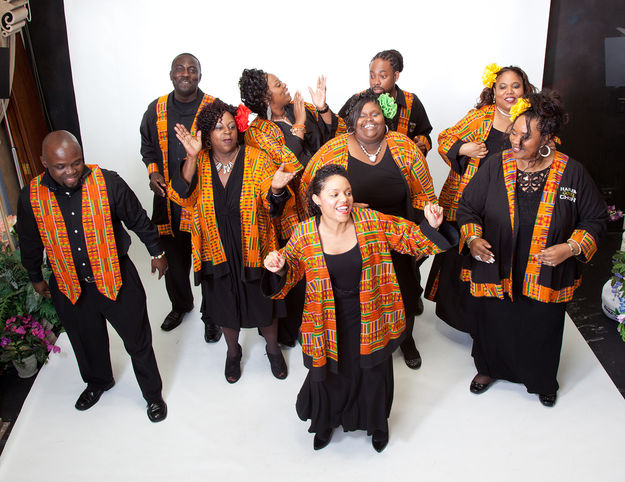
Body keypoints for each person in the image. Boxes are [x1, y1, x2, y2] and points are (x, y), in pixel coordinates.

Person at [263, 164, 454, 452]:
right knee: (329, 375)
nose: (344, 200)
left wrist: (431, 225)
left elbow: (410, 239)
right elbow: (288, 276)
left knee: (373, 373)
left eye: (348, 192)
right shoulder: (303, 235)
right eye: (334, 194)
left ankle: (377, 423)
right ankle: (326, 421)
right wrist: (278, 268)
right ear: (316, 199)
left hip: (371, 315)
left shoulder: (371, 222)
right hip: (325, 322)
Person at [457, 90, 607, 406]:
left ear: (547, 139)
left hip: (546, 271)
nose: (516, 141)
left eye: (526, 137)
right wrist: (472, 239)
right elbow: (468, 207)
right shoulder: (495, 165)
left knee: (542, 325)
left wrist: (570, 247)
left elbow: (595, 219)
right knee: (493, 320)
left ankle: (541, 379)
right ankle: (488, 369)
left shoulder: (572, 172)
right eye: (514, 132)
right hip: (496, 263)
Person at [16, 131, 168, 422]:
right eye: (61, 166)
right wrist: (36, 275)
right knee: (86, 341)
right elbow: (30, 240)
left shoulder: (107, 181)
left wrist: (157, 252)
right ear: (44, 162)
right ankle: (99, 382)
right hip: (68, 284)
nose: (71, 171)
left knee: (137, 340)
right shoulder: (31, 196)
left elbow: (137, 217)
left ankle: (152, 394)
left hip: (116, 276)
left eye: (76, 162)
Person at [298, 91, 437, 370]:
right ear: (351, 120)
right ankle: (369, 342)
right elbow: (309, 190)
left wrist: (425, 225)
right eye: (362, 116)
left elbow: (424, 191)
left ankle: (405, 338)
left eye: (375, 114)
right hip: (357, 239)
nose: (369, 120)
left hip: (400, 235)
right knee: (368, 295)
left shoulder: (403, 146)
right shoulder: (333, 150)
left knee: (405, 289)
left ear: (384, 117)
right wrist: (341, 212)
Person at [169, 99, 288, 382]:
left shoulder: (257, 159)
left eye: (232, 127)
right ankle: (233, 352)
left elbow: (272, 202)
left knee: (264, 304)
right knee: (224, 306)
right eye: (219, 127)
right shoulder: (201, 162)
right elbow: (183, 197)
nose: (227, 132)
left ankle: (272, 349)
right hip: (215, 248)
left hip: (254, 247)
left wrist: (275, 189)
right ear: (207, 134)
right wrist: (192, 157)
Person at [425, 64, 536, 333]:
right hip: (471, 203)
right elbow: (445, 138)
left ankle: (497, 320)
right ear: (493, 91)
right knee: (465, 255)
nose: (509, 91)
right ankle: (464, 320)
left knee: (500, 258)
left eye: (516, 86)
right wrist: (465, 147)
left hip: (511, 205)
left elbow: (549, 147)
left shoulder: (532, 120)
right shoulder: (481, 117)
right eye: (503, 87)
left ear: (525, 89)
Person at [239, 68, 345, 346]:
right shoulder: (257, 132)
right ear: (264, 96)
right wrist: (298, 125)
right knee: (300, 267)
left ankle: (330, 319)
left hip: (325, 200)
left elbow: (334, 135)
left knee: (329, 263)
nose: (284, 84)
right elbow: (288, 165)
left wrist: (321, 108)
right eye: (277, 84)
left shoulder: (302, 108)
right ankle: (298, 327)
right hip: (290, 210)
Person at [140, 52, 221, 342]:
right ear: (171, 74)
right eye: (180, 69)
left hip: (206, 202)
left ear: (200, 74)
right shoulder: (157, 109)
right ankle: (181, 305)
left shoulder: (214, 107)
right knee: (175, 261)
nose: (186, 74)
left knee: (210, 262)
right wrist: (153, 173)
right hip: (168, 202)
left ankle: (211, 316)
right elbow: (148, 147)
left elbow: (229, 144)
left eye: (192, 69)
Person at [338, 49, 432, 155]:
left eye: (383, 76)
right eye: (372, 76)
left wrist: (422, 144)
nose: (376, 82)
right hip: (363, 163)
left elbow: (425, 133)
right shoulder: (357, 100)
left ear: (395, 76)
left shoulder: (411, 101)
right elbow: (339, 129)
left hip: (400, 166)